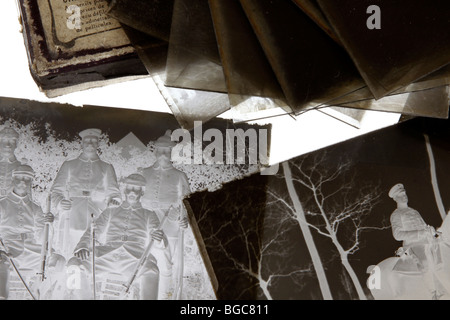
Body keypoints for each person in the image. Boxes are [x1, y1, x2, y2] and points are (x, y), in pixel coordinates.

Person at [72, 173, 166, 300]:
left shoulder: (149, 214)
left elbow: (158, 233)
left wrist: (159, 238)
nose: (132, 191)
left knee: (152, 270)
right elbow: (94, 230)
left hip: (134, 259)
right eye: (129, 188)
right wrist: (82, 246)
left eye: (136, 189)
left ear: (142, 192)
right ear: (124, 190)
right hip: (106, 256)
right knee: (73, 264)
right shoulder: (111, 211)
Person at [50, 128, 122, 257]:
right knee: (69, 251)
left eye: (93, 141)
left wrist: (114, 201)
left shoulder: (106, 167)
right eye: (87, 141)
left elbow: (114, 193)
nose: (90, 144)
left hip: (96, 213)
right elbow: (56, 190)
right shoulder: (69, 165)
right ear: (81, 143)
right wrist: (60, 203)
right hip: (72, 214)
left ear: (98, 144)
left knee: (91, 249)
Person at [140, 130, 190, 299]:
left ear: (171, 153)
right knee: (142, 261)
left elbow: (187, 203)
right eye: (160, 150)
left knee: (165, 264)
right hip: (146, 223)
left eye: (167, 151)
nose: (163, 154)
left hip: (170, 224)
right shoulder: (143, 173)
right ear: (155, 151)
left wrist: (185, 219)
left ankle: (165, 297)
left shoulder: (179, 176)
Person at [0, 165, 54, 299]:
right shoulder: (2, 204)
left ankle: (39, 293)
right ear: (12, 180)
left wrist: (49, 224)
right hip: (7, 249)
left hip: (31, 251)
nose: (23, 181)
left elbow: (43, 237)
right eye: (19, 178)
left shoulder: (36, 208)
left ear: (31, 181)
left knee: (57, 262)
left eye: (27, 178)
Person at [389, 183, 445, 298]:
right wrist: (419, 234)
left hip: (427, 241)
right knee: (425, 263)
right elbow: (397, 235)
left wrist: (432, 232)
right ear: (395, 199)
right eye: (400, 195)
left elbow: (424, 227)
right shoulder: (396, 214)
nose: (404, 196)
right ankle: (434, 293)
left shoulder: (414, 211)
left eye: (404, 193)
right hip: (413, 245)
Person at [0, 127, 22, 198]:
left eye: (12, 141)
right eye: (4, 141)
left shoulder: (20, 167)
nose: (8, 145)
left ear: (16, 145)